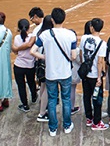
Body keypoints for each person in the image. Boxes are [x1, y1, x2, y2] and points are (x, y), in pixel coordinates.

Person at [31, 7, 78, 136]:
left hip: (50, 73)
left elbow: (32, 51)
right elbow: (74, 56)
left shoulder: (45, 35)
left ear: (52, 20)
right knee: (66, 99)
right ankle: (67, 125)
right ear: (64, 19)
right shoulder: (71, 35)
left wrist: (45, 57)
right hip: (65, 73)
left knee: (52, 100)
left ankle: (53, 128)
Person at [79, 18, 108, 130]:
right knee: (97, 98)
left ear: (91, 28)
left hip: (85, 74)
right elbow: (100, 61)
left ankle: (89, 118)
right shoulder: (102, 43)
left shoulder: (84, 38)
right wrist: (99, 77)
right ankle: (97, 122)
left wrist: (84, 66)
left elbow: (81, 54)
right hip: (95, 76)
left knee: (86, 96)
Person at [12, 19, 37, 112]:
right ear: (28, 27)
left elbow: (15, 52)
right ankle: (34, 97)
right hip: (30, 65)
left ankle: (25, 105)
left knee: (21, 86)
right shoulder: (32, 37)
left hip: (19, 65)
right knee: (31, 82)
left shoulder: (17, 38)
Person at [34, 15, 54, 123]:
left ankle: (42, 104)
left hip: (39, 63)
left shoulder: (39, 33)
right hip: (47, 63)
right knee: (47, 87)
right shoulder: (49, 36)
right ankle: (42, 113)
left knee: (42, 85)